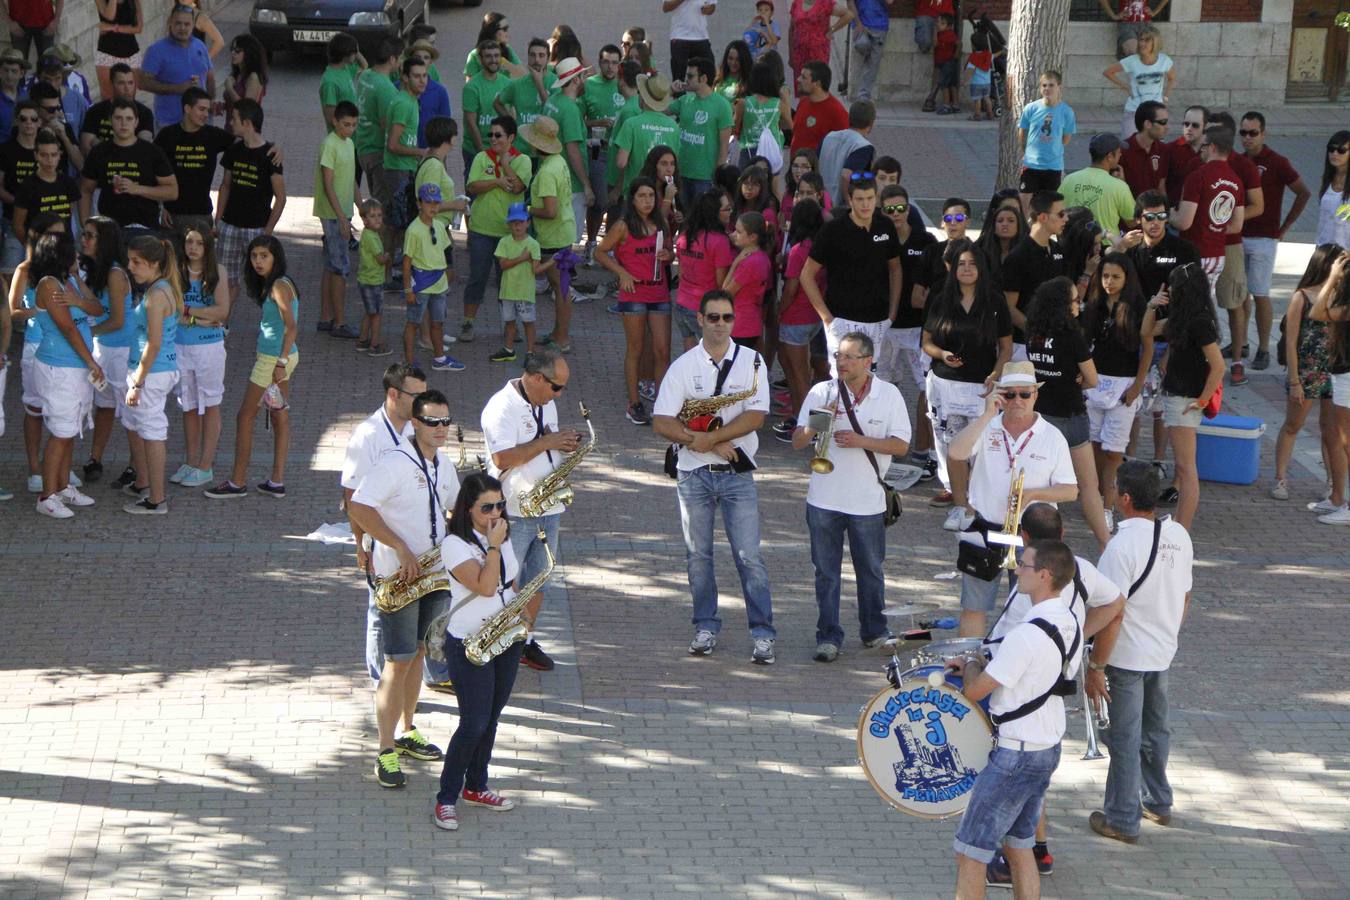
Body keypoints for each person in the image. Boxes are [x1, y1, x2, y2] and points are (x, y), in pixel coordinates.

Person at [980, 502, 1127, 884]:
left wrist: (973, 666)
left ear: (1025, 538)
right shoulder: (1080, 568)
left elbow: (1003, 650)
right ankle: (1038, 849)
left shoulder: (1031, 595)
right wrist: (1077, 641)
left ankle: (1014, 853)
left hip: (1023, 689)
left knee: (1014, 770)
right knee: (1035, 771)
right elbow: (1116, 603)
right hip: (1054, 686)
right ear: (1062, 534)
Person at [947, 539, 1080, 897]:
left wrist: (971, 661)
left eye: (1025, 564)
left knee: (970, 852)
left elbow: (975, 691)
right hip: (1046, 748)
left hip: (1015, 754)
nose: (1017, 569)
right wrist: (984, 663)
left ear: (1045, 575)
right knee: (1020, 846)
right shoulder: (1069, 621)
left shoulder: (1027, 633)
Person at [653, 289, 777, 663]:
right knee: (698, 557)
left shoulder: (753, 362)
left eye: (727, 317)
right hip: (693, 474)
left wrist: (714, 439)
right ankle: (705, 626)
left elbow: (756, 416)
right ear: (700, 319)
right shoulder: (683, 366)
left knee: (749, 556)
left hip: (737, 473)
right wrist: (702, 442)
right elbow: (661, 421)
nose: (721, 324)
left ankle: (763, 634)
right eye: (713, 317)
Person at [348, 388, 460, 791]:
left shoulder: (443, 464)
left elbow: (454, 507)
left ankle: (408, 730)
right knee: (396, 663)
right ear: (414, 423)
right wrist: (398, 545)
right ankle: (385, 750)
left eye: (446, 421)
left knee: (417, 655)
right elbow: (358, 506)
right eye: (432, 421)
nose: (440, 428)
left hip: (433, 575)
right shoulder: (394, 463)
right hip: (399, 578)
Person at [1088, 460, 1193, 843]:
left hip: (1126, 656)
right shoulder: (1178, 535)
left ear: (1125, 498)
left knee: (1125, 737)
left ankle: (1121, 818)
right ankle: (1158, 801)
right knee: (1156, 730)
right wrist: (1166, 637)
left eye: (1115, 488)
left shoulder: (1120, 547)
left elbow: (1111, 613)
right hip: (1162, 652)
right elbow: (1185, 596)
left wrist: (1096, 665)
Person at [792, 331, 910, 661]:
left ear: (868, 360)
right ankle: (828, 637)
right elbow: (798, 442)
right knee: (826, 573)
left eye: (848, 357)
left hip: (867, 502)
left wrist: (862, 441)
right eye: (838, 356)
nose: (841, 363)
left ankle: (874, 631)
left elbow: (901, 445)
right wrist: (817, 422)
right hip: (823, 499)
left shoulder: (889, 395)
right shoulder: (822, 391)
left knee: (870, 570)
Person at [948, 363, 1078, 637]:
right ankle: (969, 660)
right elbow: (956, 453)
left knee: (1030, 611)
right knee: (974, 607)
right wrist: (987, 416)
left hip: (1031, 538)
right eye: (1010, 394)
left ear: (1035, 395)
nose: (1017, 400)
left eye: (1025, 394)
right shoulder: (987, 426)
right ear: (1000, 396)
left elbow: (1070, 491)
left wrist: (1033, 494)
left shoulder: (1053, 436)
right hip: (985, 530)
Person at [431, 472, 524, 831]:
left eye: (500, 505)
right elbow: (486, 586)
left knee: (492, 718)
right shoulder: (455, 545)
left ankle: (476, 786)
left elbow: (510, 579)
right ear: (468, 508)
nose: (495, 513)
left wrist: (521, 613)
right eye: (487, 508)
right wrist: (494, 546)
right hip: (470, 642)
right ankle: (445, 798)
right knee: (473, 724)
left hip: (506, 637)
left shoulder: (500, 532)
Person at [481, 349, 582, 673]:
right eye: (556, 387)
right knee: (506, 580)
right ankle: (493, 640)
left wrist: (563, 444)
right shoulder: (501, 407)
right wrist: (549, 442)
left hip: (547, 505)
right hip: (515, 508)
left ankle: (523, 640)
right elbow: (502, 458)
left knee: (539, 580)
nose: (559, 394)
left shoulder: (544, 400)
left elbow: (545, 440)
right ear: (537, 378)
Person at [340, 363, 429, 686]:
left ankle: (410, 678)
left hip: (414, 538)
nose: (423, 403)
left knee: (416, 607)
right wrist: (360, 545)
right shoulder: (368, 436)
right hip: (381, 540)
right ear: (393, 394)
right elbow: (352, 496)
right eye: (416, 396)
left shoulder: (415, 428)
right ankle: (382, 684)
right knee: (381, 611)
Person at [923, 239, 1014, 525]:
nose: (966, 269)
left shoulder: (995, 301)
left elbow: (1006, 347)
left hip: (982, 388)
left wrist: (996, 373)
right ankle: (959, 504)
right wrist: (942, 354)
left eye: (972, 264)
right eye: (961, 264)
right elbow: (926, 342)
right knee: (951, 446)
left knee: (983, 447)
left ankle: (978, 503)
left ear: (981, 268)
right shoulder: (941, 299)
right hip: (945, 384)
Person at [204, 235, 297, 500]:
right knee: (279, 416)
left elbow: (291, 326)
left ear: (276, 257)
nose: (258, 261)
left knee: (245, 417)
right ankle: (276, 481)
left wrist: (279, 363)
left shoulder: (277, 286)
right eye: (254, 256)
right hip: (283, 358)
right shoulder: (282, 282)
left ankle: (237, 482)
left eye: (264, 256)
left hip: (272, 361)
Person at [1025, 277, 1112, 547]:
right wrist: (1077, 380)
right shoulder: (1073, 335)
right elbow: (1092, 379)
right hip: (1071, 415)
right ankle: (1106, 543)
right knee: (1088, 486)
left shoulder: (1032, 333)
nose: (1079, 304)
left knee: (1042, 485)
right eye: (1075, 300)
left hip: (1041, 417)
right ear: (1062, 304)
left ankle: (1038, 544)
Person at [1141, 262, 1223, 530]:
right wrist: (1151, 306)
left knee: (1186, 468)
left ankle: (1182, 527)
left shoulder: (1199, 322)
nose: (1171, 291)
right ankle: (1180, 524)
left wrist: (1202, 400)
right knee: (1185, 467)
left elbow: (1218, 366)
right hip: (1178, 396)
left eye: (1174, 286)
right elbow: (1147, 331)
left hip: (1184, 399)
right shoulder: (1184, 318)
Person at [29, 230, 103, 518]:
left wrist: (77, 288)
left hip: (75, 367)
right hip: (58, 367)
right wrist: (92, 362)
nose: (77, 255)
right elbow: (68, 329)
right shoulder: (48, 285)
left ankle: (62, 487)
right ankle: (46, 496)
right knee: (60, 431)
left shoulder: (68, 281)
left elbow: (97, 308)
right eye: (72, 251)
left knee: (70, 429)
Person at [800, 174, 900, 376]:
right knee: (843, 380)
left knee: (874, 382)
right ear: (850, 199)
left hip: (878, 320)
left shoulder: (885, 226)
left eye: (870, 198)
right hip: (842, 320)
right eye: (860, 199)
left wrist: (892, 313)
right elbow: (806, 276)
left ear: (876, 197)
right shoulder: (833, 230)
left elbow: (895, 268)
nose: (865, 204)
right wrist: (828, 319)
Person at [1272, 246, 1345, 509]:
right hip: (1306, 371)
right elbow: (1291, 342)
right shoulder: (1302, 297)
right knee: (1293, 424)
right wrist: (1294, 380)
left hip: (1334, 371)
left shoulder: (1341, 297)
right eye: (1340, 265)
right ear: (1327, 265)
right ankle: (1280, 479)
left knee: (1331, 430)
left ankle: (1332, 483)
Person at [597, 176, 672, 425]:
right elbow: (600, 252)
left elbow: (670, 253)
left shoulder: (661, 223)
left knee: (662, 350)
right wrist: (622, 273)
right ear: (633, 199)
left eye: (651, 196)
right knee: (636, 349)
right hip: (634, 294)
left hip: (659, 292)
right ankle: (634, 403)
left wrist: (668, 255)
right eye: (642, 196)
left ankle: (662, 402)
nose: (647, 201)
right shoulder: (623, 226)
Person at [1239, 111, 1311, 371]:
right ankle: (1241, 343)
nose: (1247, 138)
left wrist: (1285, 227)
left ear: (1264, 134)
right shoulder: (1237, 161)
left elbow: (1303, 192)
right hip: (1238, 236)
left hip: (1264, 239)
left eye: (1253, 133)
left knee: (1260, 294)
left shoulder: (1277, 162)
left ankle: (1262, 348)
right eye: (1243, 133)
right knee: (1240, 295)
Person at [1082, 252, 1151, 516]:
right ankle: (1098, 497)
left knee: (1114, 451)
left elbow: (1147, 350)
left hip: (1124, 387)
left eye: (1116, 277)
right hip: (1094, 383)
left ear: (1127, 278)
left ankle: (1108, 508)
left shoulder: (1138, 307)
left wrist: (1137, 386)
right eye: (1105, 276)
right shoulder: (1094, 305)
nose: (1109, 282)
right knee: (1094, 446)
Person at [876, 184, 938, 472]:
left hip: (916, 329)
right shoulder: (877, 239)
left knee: (926, 389)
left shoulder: (926, 241)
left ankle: (923, 451)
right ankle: (885, 447)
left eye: (901, 208)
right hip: (885, 328)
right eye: (889, 209)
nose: (896, 213)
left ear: (908, 208)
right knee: (883, 389)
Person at [119, 234, 181, 514]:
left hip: (151, 374)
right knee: (139, 426)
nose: (130, 267)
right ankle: (144, 483)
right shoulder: (162, 288)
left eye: (137, 262)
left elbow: (154, 343)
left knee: (152, 432)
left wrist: (137, 383)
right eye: (130, 260)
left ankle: (157, 500)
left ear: (154, 263)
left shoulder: (156, 295)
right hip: (152, 370)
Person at [463, 114, 531, 344]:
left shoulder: (523, 160)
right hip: (481, 230)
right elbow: (472, 187)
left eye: (498, 135)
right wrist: (496, 181)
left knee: (508, 284)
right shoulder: (481, 157)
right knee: (477, 278)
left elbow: (517, 187)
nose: (493, 138)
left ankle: (510, 327)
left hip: (509, 235)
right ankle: (468, 323)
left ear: (511, 137)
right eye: (490, 134)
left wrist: (505, 165)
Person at [169, 223, 228, 488]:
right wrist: (201, 317)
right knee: (188, 405)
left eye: (199, 243)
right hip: (180, 346)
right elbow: (172, 309)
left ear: (208, 246)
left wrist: (190, 313)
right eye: (189, 242)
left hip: (209, 348)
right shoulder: (175, 272)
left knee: (210, 403)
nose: (193, 248)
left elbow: (221, 311)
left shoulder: (218, 272)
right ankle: (191, 461)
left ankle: (206, 465)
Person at [215, 99, 284, 303]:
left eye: (234, 119)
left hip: (257, 229)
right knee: (225, 281)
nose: (230, 123)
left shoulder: (270, 155)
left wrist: (267, 232)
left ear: (246, 123)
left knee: (264, 282)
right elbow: (225, 186)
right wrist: (219, 220)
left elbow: (281, 197)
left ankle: (271, 318)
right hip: (230, 226)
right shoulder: (233, 150)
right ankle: (222, 320)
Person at [1173, 126, 1242, 328]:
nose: (1199, 151)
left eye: (1202, 146)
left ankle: (1198, 341)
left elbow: (1184, 222)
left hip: (1194, 251)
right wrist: (1214, 227)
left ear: (1212, 147)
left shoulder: (1198, 176)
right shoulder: (1236, 180)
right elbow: (1236, 225)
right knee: (1205, 304)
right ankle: (1206, 341)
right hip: (1217, 253)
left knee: (1187, 307)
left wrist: (1170, 215)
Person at [82, 217, 132, 484]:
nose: (84, 240)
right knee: (104, 406)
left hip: (122, 351)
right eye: (84, 234)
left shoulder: (114, 273)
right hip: (103, 349)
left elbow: (117, 320)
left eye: (90, 236)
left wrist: (85, 334)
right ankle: (95, 458)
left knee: (130, 412)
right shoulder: (94, 270)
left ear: (105, 241)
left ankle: (137, 466)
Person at [79, 98, 176, 234]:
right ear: (110, 120)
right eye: (118, 118)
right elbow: (85, 189)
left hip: (145, 229)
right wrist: (86, 225)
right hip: (109, 230)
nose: (123, 123)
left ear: (136, 122)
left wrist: (137, 189)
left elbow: (172, 191)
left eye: (129, 119)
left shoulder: (153, 152)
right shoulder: (99, 152)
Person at [521, 116, 575, 352]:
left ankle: (562, 338)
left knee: (560, 289)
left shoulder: (546, 173)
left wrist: (527, 209)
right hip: (563, 231)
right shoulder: (558, 161)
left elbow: (550, 211)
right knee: (560, 287)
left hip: (554, 237)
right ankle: (558, 332)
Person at [1307, 252, 1350, 525]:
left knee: (1347, 441)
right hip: (1343, 373)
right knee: (1342, 439)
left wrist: (1333, 277)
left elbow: (1316, 312)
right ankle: (1337, 499)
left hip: (1348, 375)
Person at [1000, 190, 1068, 359]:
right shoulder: (1019, 256)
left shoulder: (1057, 249)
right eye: (1061, 214)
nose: (1066, 218)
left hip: (1054, 342)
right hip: (1024, 346)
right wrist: (1035, 333)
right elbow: (1008, 307)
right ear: (1043, 217)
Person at [313, 100, 361, 340]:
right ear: (335, 121)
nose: (350, 129)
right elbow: (328, 183)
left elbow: (351, 180)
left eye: (353, 125)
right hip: (333, 214)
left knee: (331, 265)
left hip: (342, 213)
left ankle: (326, 317)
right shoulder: (329, 145)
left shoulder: (349, 144)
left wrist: (361, 206)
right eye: (346, 124)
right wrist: (342, 217)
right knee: (341, 268)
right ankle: (339, 322)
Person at [401, 183, 460, 371]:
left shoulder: (439, 226)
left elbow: (445, 250)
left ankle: (440, 358)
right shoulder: (413, 230)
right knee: (413, 323)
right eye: (428, 203)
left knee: (438, 322)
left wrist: (449, 271)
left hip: (439, 282)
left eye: (436, 203)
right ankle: (409, 362)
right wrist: (408, 289)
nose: (433, 207)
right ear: (419, 204)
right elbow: (406, 261)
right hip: (421, 283)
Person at [490, 201, 553, 361]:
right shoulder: (504, 242)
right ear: (509, 224)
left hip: (525, 291)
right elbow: (503, 265)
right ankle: (509, 349)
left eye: (521, 222)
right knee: (509, 321)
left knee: (528, 322)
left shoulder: (533, 244)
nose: (517, 226)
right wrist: (522, 258)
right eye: (513, 222)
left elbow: (536, 270)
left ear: (528, 223)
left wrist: (552, 261)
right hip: (508, 290)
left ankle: (530, 352)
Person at [539, 57, 593, 241]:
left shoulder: (553, 100)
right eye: (583, 76)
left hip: (550, 175)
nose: (585, 80)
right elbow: (572, 150)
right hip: (570, 183)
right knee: (569, 240)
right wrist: (586, 185)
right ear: (576, 80)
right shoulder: (570, 109)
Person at [580, 44, 625, 264]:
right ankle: (591, 243)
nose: (610, 67)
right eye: (606, 62)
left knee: (616, 201)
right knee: (599, 202)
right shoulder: (589, 85)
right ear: (599, 63)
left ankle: (609, 246)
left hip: (619, 152)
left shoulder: (623, 86)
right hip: (596, 150)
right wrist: (596, 123)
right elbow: (578, 121)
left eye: (615, 63)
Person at [675, 188, 734, 353]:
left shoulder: (685, 236)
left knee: (690, 357)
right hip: (705, 308)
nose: (730, 212)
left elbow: (680, 272)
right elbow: (721, 284)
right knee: (712, 357)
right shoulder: (719, 241)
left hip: (682, 303)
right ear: (714, 213)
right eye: (726, 209)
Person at [136, 5, 213, 130]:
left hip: (202, 122)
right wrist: (178, 88)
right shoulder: (156, 50)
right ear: (170, 23)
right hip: (170, 123)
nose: (182, 28)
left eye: (187, 24)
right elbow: (144, 83)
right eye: (178, 23)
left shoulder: (200, 46)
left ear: (193, 25)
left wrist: (211, 104)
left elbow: (210, 78)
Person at [670, 56, 733, 209]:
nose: (686, 79)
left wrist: (718, 177)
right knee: (682, 217)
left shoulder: (722, 105)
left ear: (704, 78)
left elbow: (724, 145)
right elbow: (658, 110)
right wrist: (670, 91)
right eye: (686, 75)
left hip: (706, 177)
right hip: (682, 173)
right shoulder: (685, 100)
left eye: (690, 76)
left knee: (703, 217)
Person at [383, 56, 428, 261]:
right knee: (399, 223)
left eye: (424, 76)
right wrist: (420, 152)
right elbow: (392, 145)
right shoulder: (404, 103)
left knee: (400, 221)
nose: (422, 80)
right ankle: (393, 268)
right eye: (417, 76)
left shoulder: (410, 100)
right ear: (405, 78)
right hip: (398, 170)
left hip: (404, 168)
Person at [355, 38, 402, 220]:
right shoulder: (386, 89)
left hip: (363, 147)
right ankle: (379, 237)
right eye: (400, 58)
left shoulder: (366, 76)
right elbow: (386, 126)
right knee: (382, 208)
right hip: (378, 152)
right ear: (392, 59)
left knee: (376, 197)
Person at [1017, 70, 1076, 214]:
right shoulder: (1031, 108)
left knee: (1050, 205)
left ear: (1059, 87)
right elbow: (1022, 132)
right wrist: (1025, 151)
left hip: (1053, 166)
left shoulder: (1067, 112)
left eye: (1051, 85)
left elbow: (1066, 138)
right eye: (1044, 85)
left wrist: (1053, 148)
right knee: (1024, 203)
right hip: (1031, 165)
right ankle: (1025, 227)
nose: (1047, 89)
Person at [613, 74, 679, 197]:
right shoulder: (674, 126)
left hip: (635, 193)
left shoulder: (631, 124)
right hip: (661, 193)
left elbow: (621, 163)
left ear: (643, 96)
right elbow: (675, 161)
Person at [1059, 133, 1136, 239]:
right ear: (1110, 156)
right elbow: (1132, 221)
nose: (1121, 155)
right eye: (1119, 152)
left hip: (1072, 243)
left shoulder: (1069, 180)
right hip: (1107, 244)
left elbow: (1058, 213)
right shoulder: (1119, 186)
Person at [1102, 24, 1173, 138]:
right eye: (1141, 40)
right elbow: (1108, 72)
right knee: (1129, 144)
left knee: (1156, 146)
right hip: (1134, 110)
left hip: (1156, 112)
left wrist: (1166, 96)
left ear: (1155, 43)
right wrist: (1125, 86)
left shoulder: (1165, 60)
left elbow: (1172, 78)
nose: (1142, 43)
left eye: (1147, 40)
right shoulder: (1131, 61)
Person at [10, 127, 78, 243]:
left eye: (53, 155)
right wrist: (31, 248)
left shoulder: (68, 183)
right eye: (44, 155)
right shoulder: (27, 186)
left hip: (65, 244)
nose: (49, 160)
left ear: (59, 155)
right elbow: (18, 225)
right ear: (36, 155)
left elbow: (70, 218)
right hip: (39, 245)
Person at [492, 38, 556, 156]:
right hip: (522, 150)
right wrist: (511, 123)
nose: (536, 60)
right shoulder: (517, 84)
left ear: (548, 58)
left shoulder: (556, 83)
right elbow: (497, 103)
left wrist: (539, 83)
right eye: (532, 55)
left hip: (546, 151)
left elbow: (552, 111)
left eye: (541, 55)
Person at [80, 63, 153, 158]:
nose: (127, 88)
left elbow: (143, 147)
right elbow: (86, 147)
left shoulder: (145, 113)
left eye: (130, 83)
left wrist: (99, 145)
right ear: (111, 84)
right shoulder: (95, 111)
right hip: (101, 165)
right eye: (121, 83)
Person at [723, 211, 772, 350]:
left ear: (752, 237)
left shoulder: (749, 262)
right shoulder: (762, 257)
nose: (734, 234)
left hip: (741, 325)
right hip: (750, 322)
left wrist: (735, 264)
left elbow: (725, 292)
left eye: (739, 232)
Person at [461, 40, 509, 180]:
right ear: (481, 60)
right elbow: (471, 124)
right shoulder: (472, 87)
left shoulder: (507, 83)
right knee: (475, 188)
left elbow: (510, 116)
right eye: (488, 56)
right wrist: (482, 152)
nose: (493, 60)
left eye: (496, 56)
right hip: (476, 150)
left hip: (501, 149)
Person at [733, 59, 789, 170]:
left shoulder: (743, 103)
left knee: (746, 179)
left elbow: (734, 127)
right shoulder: (778, 103)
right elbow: (789, 124)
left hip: (749, 149)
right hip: (772, 149)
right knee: (772, 179)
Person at [787, 0, 853, 93]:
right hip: (799, 55)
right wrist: (791, 55)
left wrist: (831, 30)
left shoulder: (825, 3)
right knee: (802, 89)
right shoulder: (796, 3)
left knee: (817, 88)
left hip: (818, 55)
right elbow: (792, 29)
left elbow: (849, 15)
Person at [818, 100, 875, 206]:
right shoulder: (863, 146)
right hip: (837, 206)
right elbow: (846, 176)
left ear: (849, 118)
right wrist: (849, 203)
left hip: (820, 200)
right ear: (871, 124)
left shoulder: (829, 137)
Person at [355, 200, 392, 355]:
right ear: (364, 219)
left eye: (379, 215)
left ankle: (363, 340)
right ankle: (375, 344)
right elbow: (380, 259)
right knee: (376, 314)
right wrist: (387, 256)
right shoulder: (371, 237)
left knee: (369, 312)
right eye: (372, 216)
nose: (377, 219)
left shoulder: (369, 234)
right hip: (373, 281)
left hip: (366, 280)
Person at [789, 61, 846, 158]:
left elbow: (843, 146)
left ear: (817, 83)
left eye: (804, 77)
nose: (798, 79)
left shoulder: (837, 112)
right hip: (796, 165)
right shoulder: (803, 102)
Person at [1118, 100, 1169, 198]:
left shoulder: (1163, 150)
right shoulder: (1122, 151)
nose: (1167, 127)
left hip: (1154, 207)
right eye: (1163, 122)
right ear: (1148, 124)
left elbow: (1161, 187)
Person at [406, 40, 450, 149]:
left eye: (426, 58)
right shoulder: (398, 87)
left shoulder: (439, 91)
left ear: (430, 62)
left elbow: (445, 125)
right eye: (417, 57)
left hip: (431, 149)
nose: (421, 61)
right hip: (404, 151)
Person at [849, 0, 895, 103]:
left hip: (880, 26)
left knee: (873, 64)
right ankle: (857, 93)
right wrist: (858, 24)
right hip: (862, 26)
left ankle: (863, 96)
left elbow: (890, 1)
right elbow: (850, 3)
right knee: (860, 53)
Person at [319, 32, 365, 133]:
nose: (356, 55)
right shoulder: (330, 82)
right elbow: (331, 118)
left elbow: (364, 66)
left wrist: (356, 51)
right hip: (342, 138)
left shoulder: (346, 69)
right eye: (354, 52)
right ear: (346, 54)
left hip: (351, 136)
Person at [222, 34, 267, 132]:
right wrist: (222, 106)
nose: (233, 53)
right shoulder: (238, 74)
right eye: (232, 49)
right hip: (230, 129)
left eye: (237, 51)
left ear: (248, 53)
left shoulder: (253, 77)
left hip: (244, 133)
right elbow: (233, 103)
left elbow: (245, 109)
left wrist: (229, 88)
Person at [1163, 104, 1206, 209]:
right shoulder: (1170, 149)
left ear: (1205, 126)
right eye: (1186, 124)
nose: (1189, 128)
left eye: (1195, 125)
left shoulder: (1212, 150)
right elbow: (1161, 184)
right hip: (1175, 210)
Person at [664, 0, 717, 82]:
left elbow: (712, 7)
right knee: (678, 78)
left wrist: (707, 10)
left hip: (701, 36)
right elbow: (666, 7)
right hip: (680, 37)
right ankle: (680, 90)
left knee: (709, 74)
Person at [464, 13, 524, 82]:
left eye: (507, 28)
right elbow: (470, 84)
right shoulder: (474, 55)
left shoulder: (507, 49)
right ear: (492, 31)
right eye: (504, 29)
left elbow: (522, 74)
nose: (507, 32)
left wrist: (503, 62)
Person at [1315, 130, 1349, 248]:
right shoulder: (1328, 179)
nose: (1335, 153)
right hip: (1324, 250)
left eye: (1341, 150)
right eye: (1331, 149)